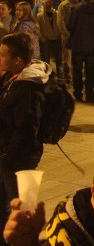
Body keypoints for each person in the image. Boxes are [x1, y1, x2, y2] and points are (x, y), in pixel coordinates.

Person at [0, 33, 50, 236]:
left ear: (18, 60)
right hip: (6, 153)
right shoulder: (12, 78)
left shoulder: (29, 89)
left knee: (20, 210)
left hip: (17, 160)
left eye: (3, 55)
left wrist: (7, 155)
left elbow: (27, 130)